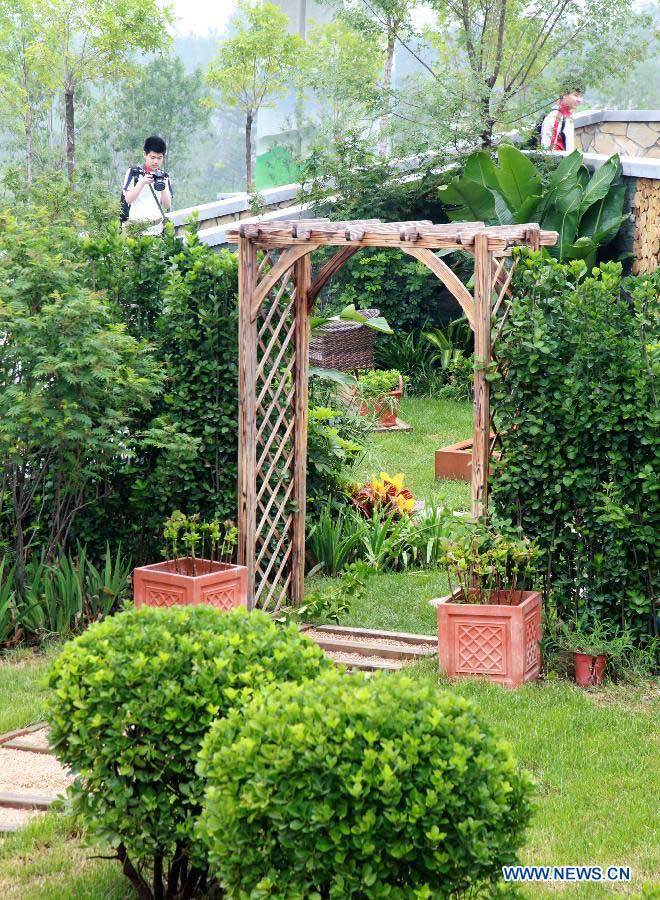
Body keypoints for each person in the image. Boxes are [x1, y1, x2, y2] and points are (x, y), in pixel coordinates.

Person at [121, 135, 173, 236]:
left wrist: (163, 185)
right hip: (136, 230)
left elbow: (167, 205)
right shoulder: (134, 172)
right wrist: (142, 182)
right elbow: (128, 199)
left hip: (157, 229)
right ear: (145, 154)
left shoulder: (164, 176)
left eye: (159, 158)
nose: (156, 161)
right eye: (152, 157)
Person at [539, 87, 583, 152]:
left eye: (580, 96)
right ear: (564, 94)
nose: (579, 100)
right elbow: (547, 150)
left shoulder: (566, 116)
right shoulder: (556, 115)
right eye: (576, 95)